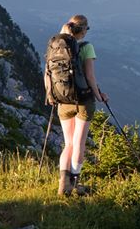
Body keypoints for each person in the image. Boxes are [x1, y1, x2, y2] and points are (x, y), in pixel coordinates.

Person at [46, 14, 109, 196]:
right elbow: (90, 76)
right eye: (87, 29)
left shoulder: (55, 45)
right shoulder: (87, 47)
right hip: (83, 100)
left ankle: (62, 185)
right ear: (82, 30)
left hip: (62, 99)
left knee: (68, 144)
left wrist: (51, 95)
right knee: (79, 143)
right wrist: (99, 96)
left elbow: (48, 73)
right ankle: (74, 185)